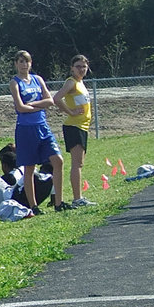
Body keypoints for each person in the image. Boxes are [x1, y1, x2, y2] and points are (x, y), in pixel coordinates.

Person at [8, 51, 66, 214]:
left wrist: (33, 105)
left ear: (31, 63)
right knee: (29, 168)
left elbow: (50, 101)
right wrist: (38, 106)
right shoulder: (15, 82)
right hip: (26, 129)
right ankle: (33, 206)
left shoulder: (37, 79)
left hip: (42, 126)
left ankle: (59, 202)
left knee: (58, 160)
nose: (24, 65)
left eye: (26, 61)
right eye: (20, 61)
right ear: (16, 64)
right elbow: (20, 107)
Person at [52, 54, 96, 208]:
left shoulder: (81, 83)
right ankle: (77, 198)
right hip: (74, 127)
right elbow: (56, 98)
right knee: (76, 164)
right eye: (78, 66)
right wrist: (70, 111)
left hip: (82, 127)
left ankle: (78, 197)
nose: (81, 69)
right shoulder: (71, 82)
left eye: (84, 66)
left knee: (80, 163)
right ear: (72, 68)